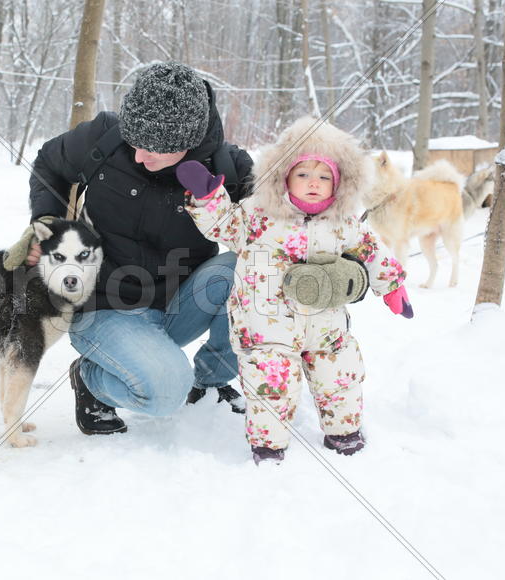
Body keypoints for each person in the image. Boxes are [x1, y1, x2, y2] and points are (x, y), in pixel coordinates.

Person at [10, 62, 254, 435]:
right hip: (104, 306)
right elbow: (49, 164)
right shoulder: (105, 137)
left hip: (180, 303)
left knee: (247, 266)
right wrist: (47, 220)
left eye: (153, 150)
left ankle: (210, 382)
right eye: (134, 143)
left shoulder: (229, 166)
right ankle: (91, 379)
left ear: (187, 143)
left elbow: (281, 227)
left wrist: (341, 263)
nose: (139, 155)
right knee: (164, 395)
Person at [177, 116, 413, 464]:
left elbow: (370, 249)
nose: (313, 183)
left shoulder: (344, 221)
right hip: (266, 325)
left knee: (340, 377)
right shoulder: (259, 214)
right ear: (284, 176)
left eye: (323, 176)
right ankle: (268, 446)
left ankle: (343, 430)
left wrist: (392, 285)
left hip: (326, 325)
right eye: (303, 174)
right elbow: (225, 225)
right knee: (271, 387)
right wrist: (208, 197)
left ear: (339, 183)